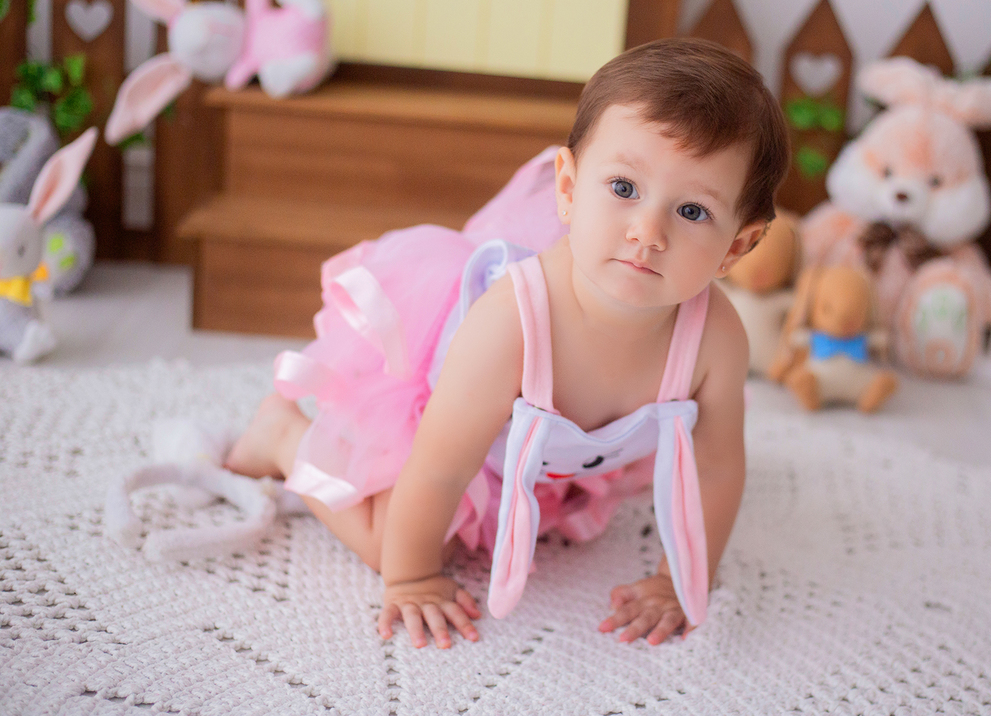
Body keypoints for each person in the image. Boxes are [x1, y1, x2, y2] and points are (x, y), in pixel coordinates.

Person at [224, 37, 791, 649]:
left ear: (737, 245)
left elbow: (715, 467)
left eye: (692, 212)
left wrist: (680, 579)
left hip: (558, 445)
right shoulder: (511, 323)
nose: (647, 232)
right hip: (461, 427)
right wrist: (410, 577)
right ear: (569, 189)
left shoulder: (716, 338)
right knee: (391, 540)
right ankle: (282, 433)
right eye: (624, 189)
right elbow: (440, 468)